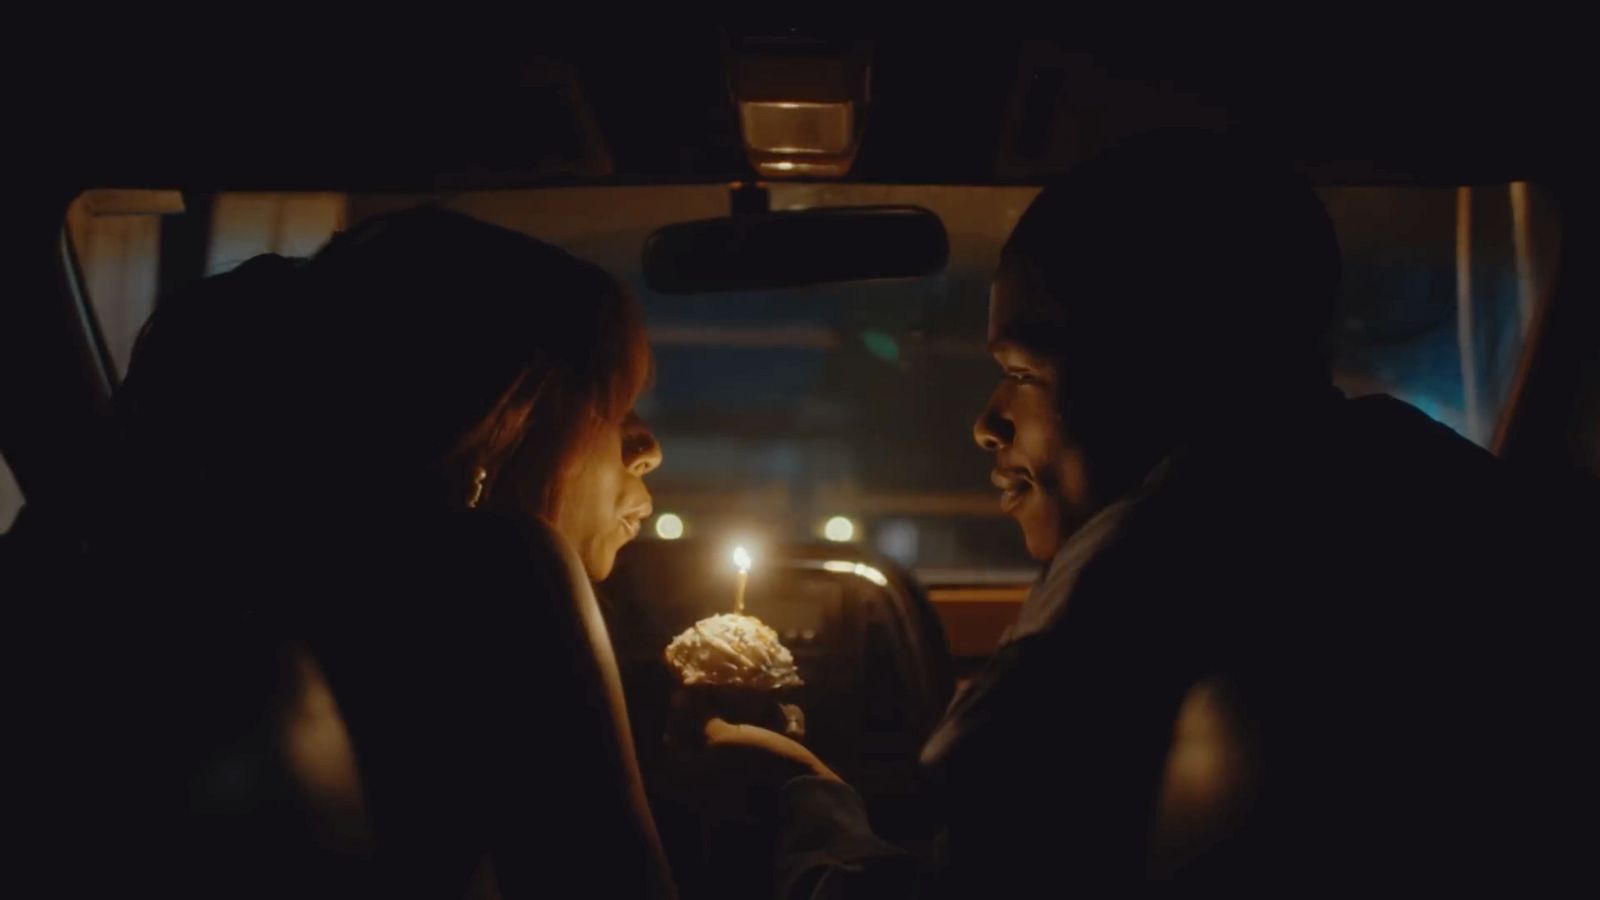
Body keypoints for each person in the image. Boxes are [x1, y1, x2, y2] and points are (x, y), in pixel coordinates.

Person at [701, 130, 1582, 894]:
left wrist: (804, 812)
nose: (985, 422)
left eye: (1022, 369)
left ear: (1159, 363)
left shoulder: (1147, 569)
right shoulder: (1442, 490)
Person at [94, 207, 673, 898]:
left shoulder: (151, 595)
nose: (649, 448)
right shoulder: (499, 572)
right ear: (501, 413)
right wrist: (807, 820)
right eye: (612, 404)